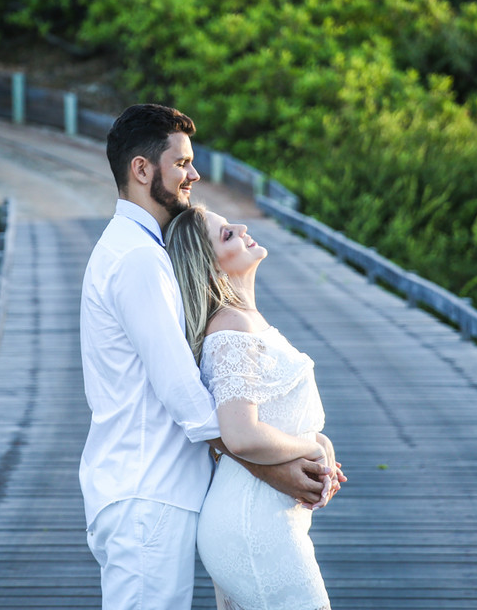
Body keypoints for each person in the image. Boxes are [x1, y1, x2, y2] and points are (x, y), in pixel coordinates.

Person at [79, 104, 333, 610]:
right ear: (141, 169)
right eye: (181, 163)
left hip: (152, 490)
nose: (194, 174)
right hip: (147, 491)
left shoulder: (140, 250)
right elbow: (182, 392)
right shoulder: (137, 258)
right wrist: (272, 468)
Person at [165, 204, 343, 610]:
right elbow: (241, 434)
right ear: (211, 268)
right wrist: (311, 450)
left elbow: (269, 418)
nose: (243, 227)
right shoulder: (231, 326)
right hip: (252, 527)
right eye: (227, 234)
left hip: (264, 521)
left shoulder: (246, 321)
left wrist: (321, 444)